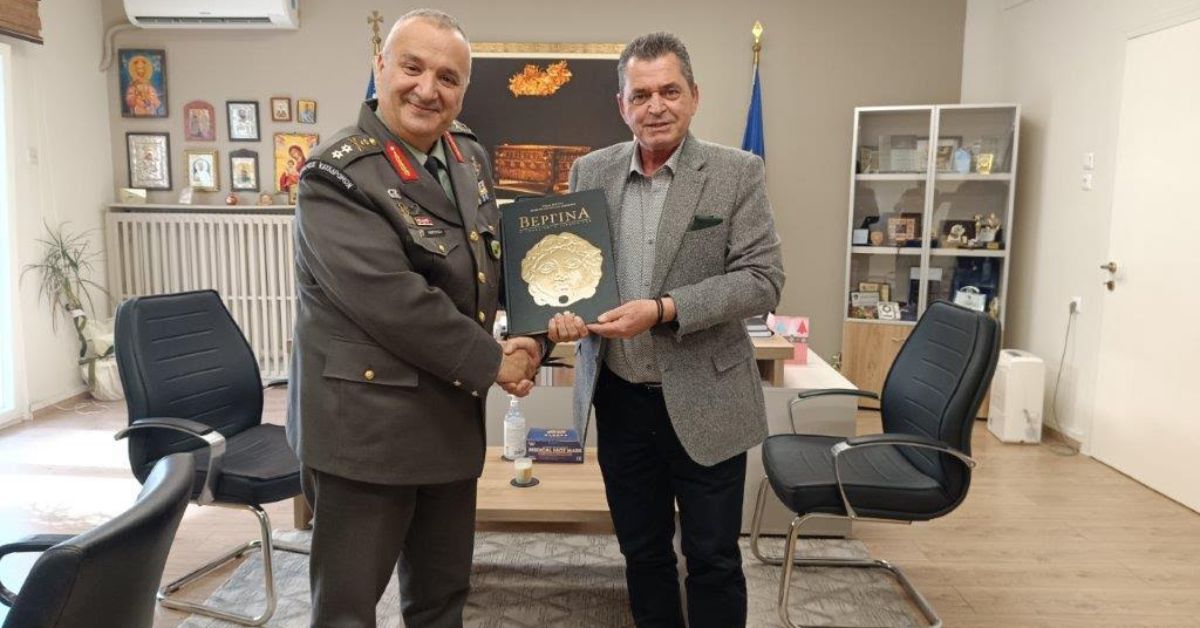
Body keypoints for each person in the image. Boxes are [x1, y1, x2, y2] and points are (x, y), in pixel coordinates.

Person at [286, 9, 547, 627]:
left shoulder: (468, 155)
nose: (428, 89)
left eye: (448, 77)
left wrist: (534, 331)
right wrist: (497, 362)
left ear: (463, 90)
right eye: (412, 68)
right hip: (366, 435)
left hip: (448, 423)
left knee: (441, 601)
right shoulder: (336, 176)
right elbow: (396, 303)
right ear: (380, 66)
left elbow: (492, 264)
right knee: (347, 612)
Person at [548, 31, 784, 628]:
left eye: (670, 91)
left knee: (712, 558)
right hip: (621, 401)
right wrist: (562, 311)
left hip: (709, 398)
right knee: (642, 552)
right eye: (641, 94)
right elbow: (572, 270)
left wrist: (664, 308)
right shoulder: (589, 171)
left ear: (694, 96)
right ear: (621, 104)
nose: (656, 106)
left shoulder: (737, 173)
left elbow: (762, 280)